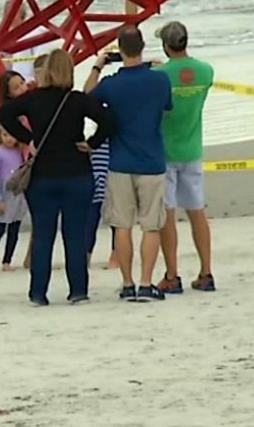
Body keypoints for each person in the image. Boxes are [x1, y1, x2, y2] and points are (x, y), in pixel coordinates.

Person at [0, 49, 115, 306]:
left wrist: (28, 139)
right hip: (77, 172)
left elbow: (3, 113)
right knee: (74, 235)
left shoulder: (32, 99)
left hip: (42, 176)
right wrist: (93, 142)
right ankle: (78, 291)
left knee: (43, 234)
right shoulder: (77, 100)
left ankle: (38, 293)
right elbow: (109, 119)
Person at [84, 26, 173, 302]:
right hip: (152, 160)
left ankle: (127, 282)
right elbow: (166, 107)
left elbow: (87, 96)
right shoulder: (159, 81)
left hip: (120, 161)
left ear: (119, 50)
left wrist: (98, 65)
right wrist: (150, 65)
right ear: (143, 46)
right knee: (151, 225)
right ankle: (146, 282)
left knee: (122, 225)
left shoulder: (111, 85)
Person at [153, 21, 216, 293]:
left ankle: (172, 274)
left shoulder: (160, 76)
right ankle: (205, 271)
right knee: (196, 211)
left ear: (166, 46)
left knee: (168, 214)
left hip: (165, 150)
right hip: (192, 148)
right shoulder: (205, 71)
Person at [0, 124, 26, 271]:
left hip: (17, 192)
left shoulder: (19, 152)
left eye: (11, 135)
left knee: (14, 228)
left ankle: (7, 261)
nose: (8, 139)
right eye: (5, 135)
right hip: (4, 192)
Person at [85, 141, 116, 268]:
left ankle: (116, 254)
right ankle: (86, 254)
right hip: (95, 156)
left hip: (112, 155)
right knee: (91, 212)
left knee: (115, 212)